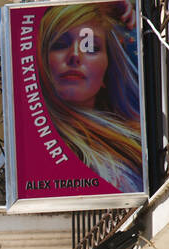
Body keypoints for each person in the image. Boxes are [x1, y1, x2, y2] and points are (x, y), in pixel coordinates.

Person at [37, 2, 143, 194]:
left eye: (91, 47)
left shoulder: (133, 138)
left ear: (108, 70)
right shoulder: (43, 150)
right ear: (43, 61)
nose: (75, 56)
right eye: (60, 45)